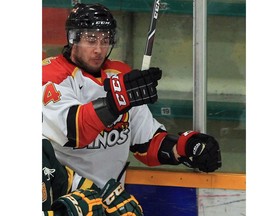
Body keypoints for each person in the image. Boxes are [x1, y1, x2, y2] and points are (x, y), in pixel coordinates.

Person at [42, 2, 221, 214]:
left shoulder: (120, 75)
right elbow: (75, 130)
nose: (99, 49)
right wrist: (116, 101)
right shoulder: (50, 75)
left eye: (105, 40)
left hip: (111, 202)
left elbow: (146, 143)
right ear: (73, 38)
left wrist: (185, 147)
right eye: (91, 39)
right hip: (61, 201)